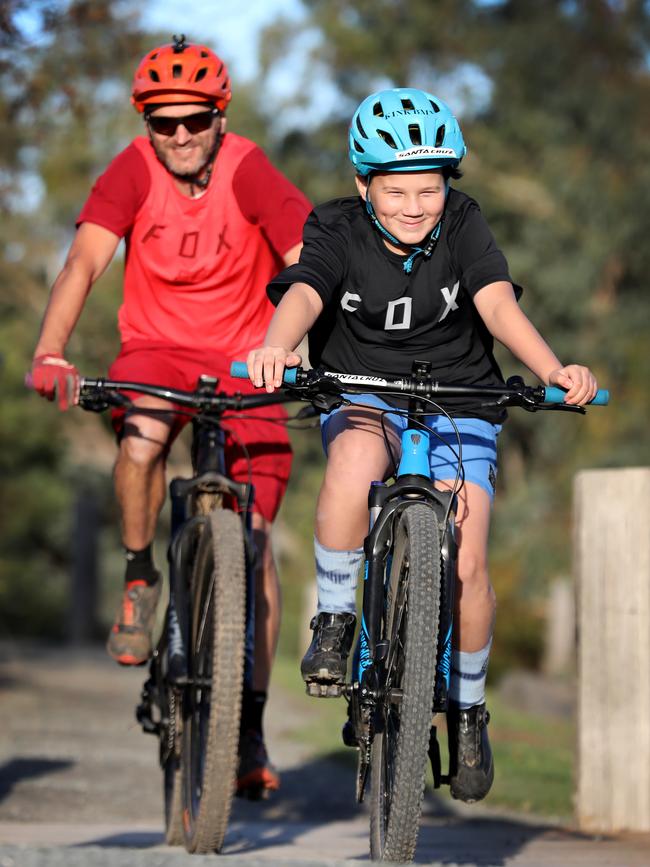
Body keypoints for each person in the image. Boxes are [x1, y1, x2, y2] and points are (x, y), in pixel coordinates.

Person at [245, 87, 598, 803]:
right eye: (397, 190)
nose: (414, 205)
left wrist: (551, 369)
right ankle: (337, 619)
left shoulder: (463, 223)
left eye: (429, 189)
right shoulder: (336, 227)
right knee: (353, 458)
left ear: (448, 186)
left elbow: (497, 303)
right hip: (361, 386)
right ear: (362, 185)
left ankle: (467, 709)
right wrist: (277, 345)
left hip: (461, 394)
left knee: (467, 562)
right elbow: (306, 293)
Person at [29, 35, 311, 797]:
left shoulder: (250, 167)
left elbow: (303, 253)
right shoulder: (132, 169)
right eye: (163, 122)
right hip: (155, 350)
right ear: (145, 122)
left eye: (193, 120)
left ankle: (247, 725)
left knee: (253, 547)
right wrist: (51, 350)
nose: (179, 136)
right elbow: (84, 261)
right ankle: (139, 573)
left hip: (251, 358)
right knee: (143, 437)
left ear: (219, 116)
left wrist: (314, 346)